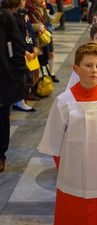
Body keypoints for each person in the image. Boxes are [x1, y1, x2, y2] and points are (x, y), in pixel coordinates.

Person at [38, 43, 97, 225]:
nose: (94, 70)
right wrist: (66, 172)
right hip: (73, 174)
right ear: (76, 69)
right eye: (88, 66)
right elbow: (54, 144)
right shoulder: (64, 102)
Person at [0, 6, 27, 173]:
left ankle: (0, 155)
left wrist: (17, 72)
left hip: (3, 77)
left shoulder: (5, 16)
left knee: (1, 116)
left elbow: (17, 45)